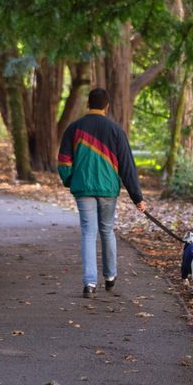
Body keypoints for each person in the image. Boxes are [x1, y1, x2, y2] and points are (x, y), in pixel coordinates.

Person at [58, 88, 147, 297]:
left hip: (84, 189)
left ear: (88, 103)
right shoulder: (116, 130)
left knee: (88, 233)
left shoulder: (74, 128)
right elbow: (127, 166)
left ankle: (89, 284)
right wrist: (137, 197)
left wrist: (72, 180)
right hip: (108, 189)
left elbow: (63, 161)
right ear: (107, 106)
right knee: (107, 230)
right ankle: (110, 276)